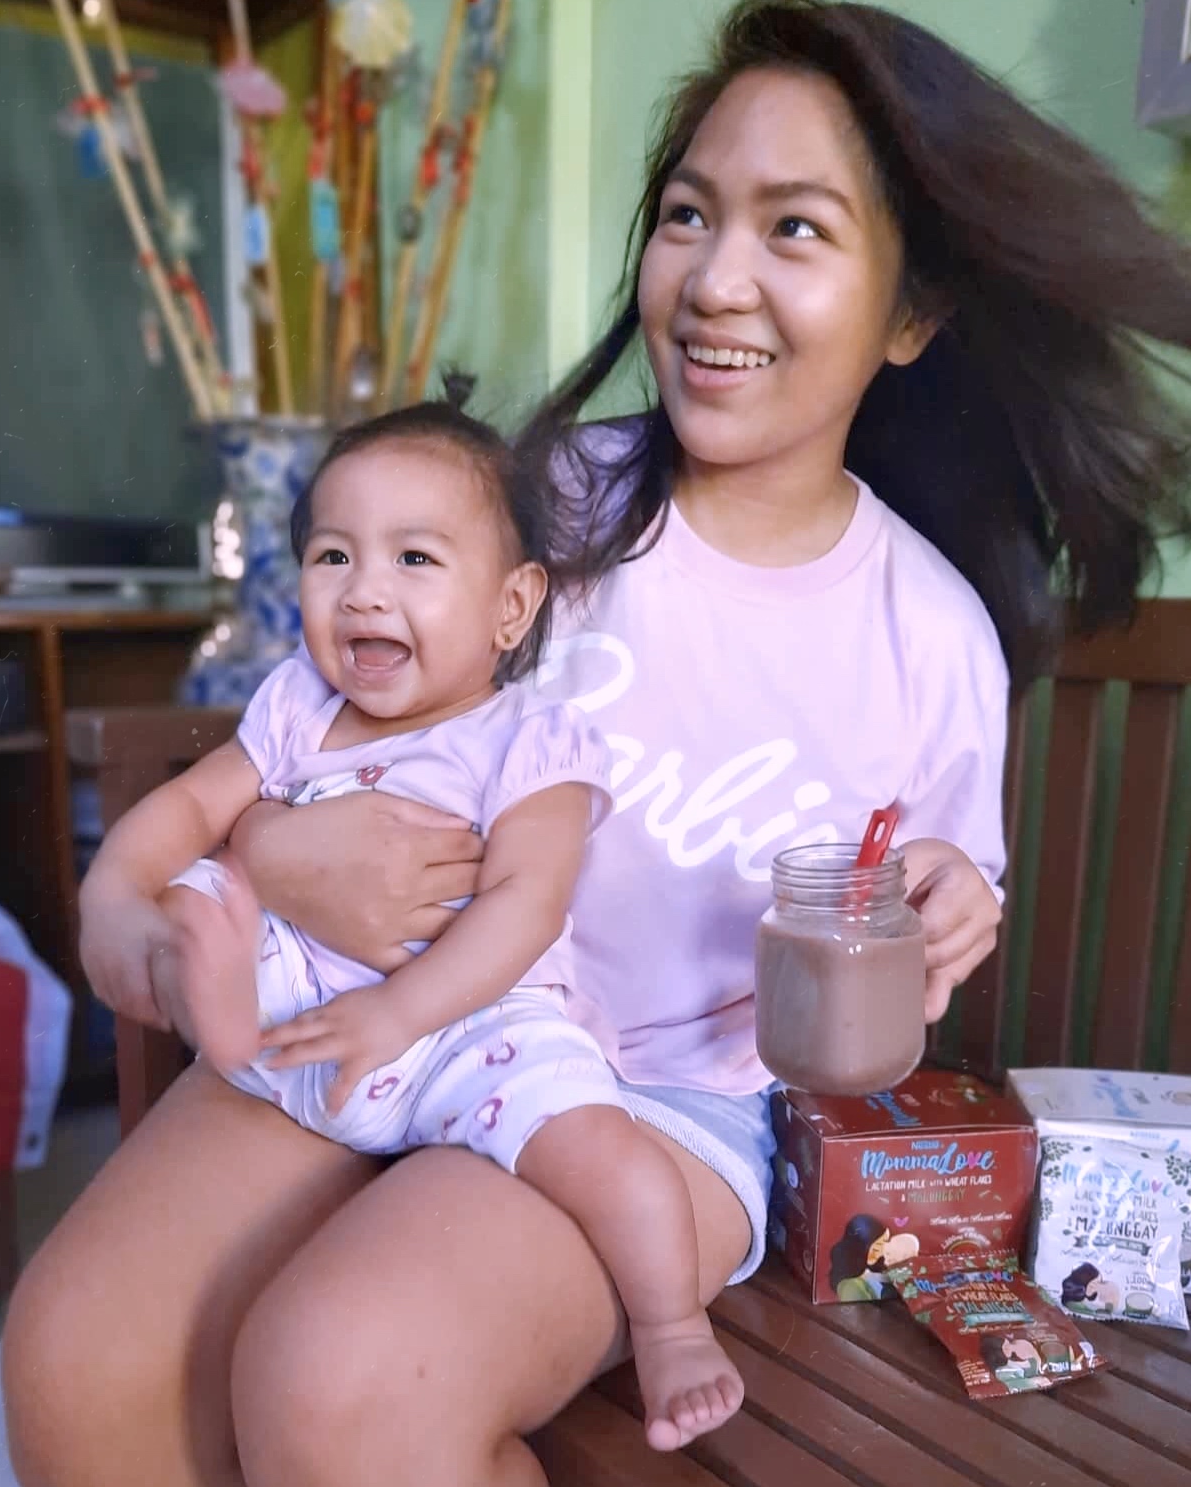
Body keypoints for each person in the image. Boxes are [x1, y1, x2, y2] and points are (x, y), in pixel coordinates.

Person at [2, 4, 1191, 1484]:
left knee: (341, 1379)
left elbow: (914, 947)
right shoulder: (545, 507)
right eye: (689, 214)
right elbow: (316, 729)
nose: (716, 278)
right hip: (388, 1010)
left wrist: (940, 904)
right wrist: (278, 848)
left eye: (794, 229)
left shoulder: (929, 635)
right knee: (78, 1353)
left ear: (910, 309)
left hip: (667, 1104)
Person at [77, 396, 744, 1450]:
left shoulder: (530, 738)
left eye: (416, 559)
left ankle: (672, 1325)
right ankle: (208, 999)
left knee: (602, 1150)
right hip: (315, 1019)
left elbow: (526, 906)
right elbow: (191, 808)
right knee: (208, 887)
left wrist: (405, 1008)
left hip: (475, 1030)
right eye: (333, 555)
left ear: (512, 607)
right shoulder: (297, 706)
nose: (365, 590)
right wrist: (112, 893)